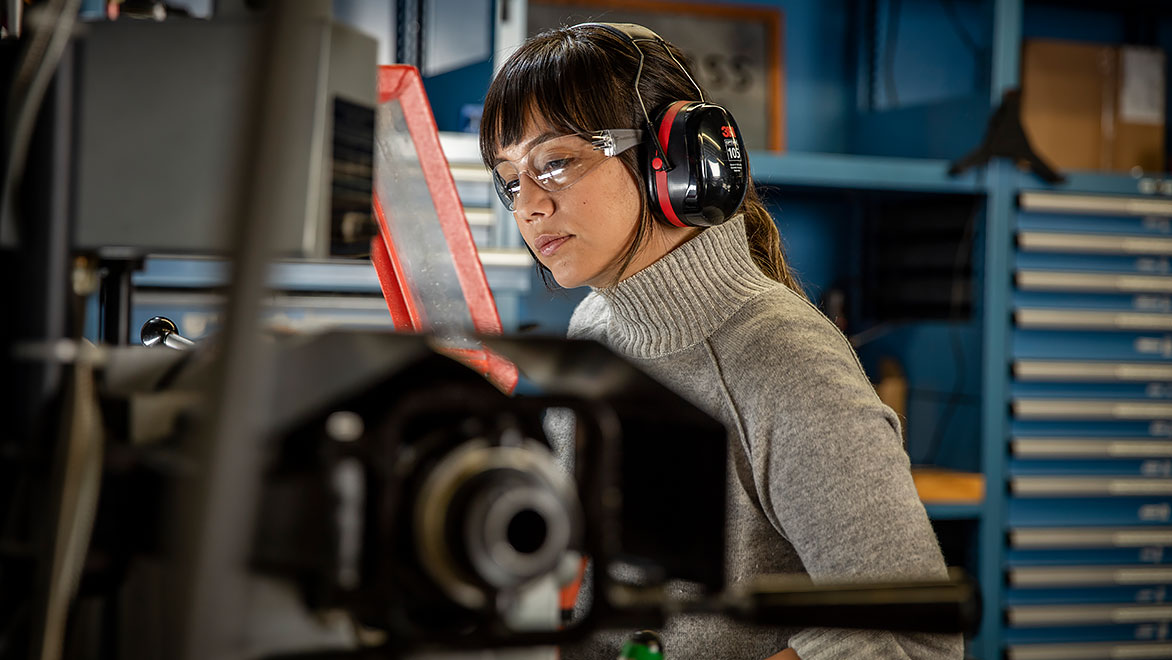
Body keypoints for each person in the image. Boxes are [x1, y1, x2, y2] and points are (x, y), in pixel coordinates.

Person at [478, 22, 963, 660]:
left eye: (557, 163)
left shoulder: (784, 360)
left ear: (673, 158)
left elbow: (914, 636)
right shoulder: (594, 330)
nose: (528, 206)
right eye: (511, 178)